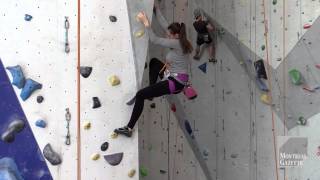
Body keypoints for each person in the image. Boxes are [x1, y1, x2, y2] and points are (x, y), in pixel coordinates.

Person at [114, 6, 193, 137]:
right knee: (154, 62)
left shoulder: (177, 43)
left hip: (174, 82)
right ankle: (151, 92)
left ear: (176, 35)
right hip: (174, 76)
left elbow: (155, 39)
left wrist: (146, 24)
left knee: (140, 95)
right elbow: (165, 25)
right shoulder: (180, 40)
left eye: (169, 35)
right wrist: (155, 9)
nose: (168, 36)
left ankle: (128, 128)